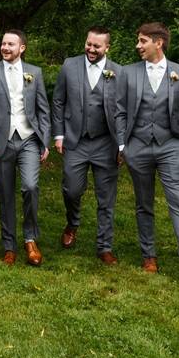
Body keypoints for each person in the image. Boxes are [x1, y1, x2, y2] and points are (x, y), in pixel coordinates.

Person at [115, 22, 179, 287]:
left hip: (170, 145)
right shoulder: (128, 73)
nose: (138, 46)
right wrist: (123, 145)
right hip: (137, 146)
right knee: (143, 202)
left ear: (158, 43)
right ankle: (149, 256)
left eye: (142, 40)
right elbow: (121, 111)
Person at [0, 30, 51, 266]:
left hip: (28, 137)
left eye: (11, 44)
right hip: (2, 140)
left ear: (22, 48)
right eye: (3, 43)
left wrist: (44, 140)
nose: (5, 47)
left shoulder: (34, 73)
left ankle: (30, 239)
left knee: (30, 186)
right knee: (5, 194)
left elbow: (43, 110)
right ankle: (9, 245)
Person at [51, 26, 122, 265]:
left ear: (107, 48)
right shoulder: (69, 66)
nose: (91, 49)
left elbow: (124, 112)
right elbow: (58, 101)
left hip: (106, 143)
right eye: (88, 44)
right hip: (75, 140)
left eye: (97, 46)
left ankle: (104, 246)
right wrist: (59, 134)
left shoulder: (118, 72)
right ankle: (73, 223)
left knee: (106, 198)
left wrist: (122, 145)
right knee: (71, 189)